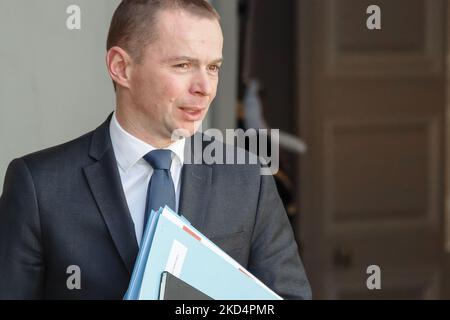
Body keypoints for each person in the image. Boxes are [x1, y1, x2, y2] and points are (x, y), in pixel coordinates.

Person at [0, 0, 311, 299]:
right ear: (121, 67)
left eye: (213, 67)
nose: (205, 87)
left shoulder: (248, 179)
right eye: (183, 65)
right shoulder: (38, 186)